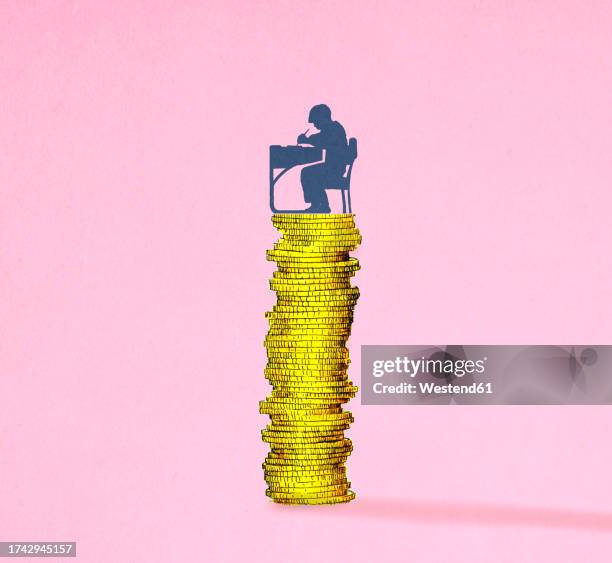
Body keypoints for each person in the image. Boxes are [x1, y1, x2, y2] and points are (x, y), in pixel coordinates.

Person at [297, 104, 348, 213]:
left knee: (308, 173)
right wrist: (308, 140)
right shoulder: (333, 128)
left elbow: (322, 140)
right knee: (310, 173)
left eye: (316, 121)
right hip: (333, 167)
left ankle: (319, 205)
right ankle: (319, 205)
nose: (315, 125)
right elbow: (322, 138)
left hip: (335, 169)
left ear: (323, 118)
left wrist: (306, 140)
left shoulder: (334, 129)